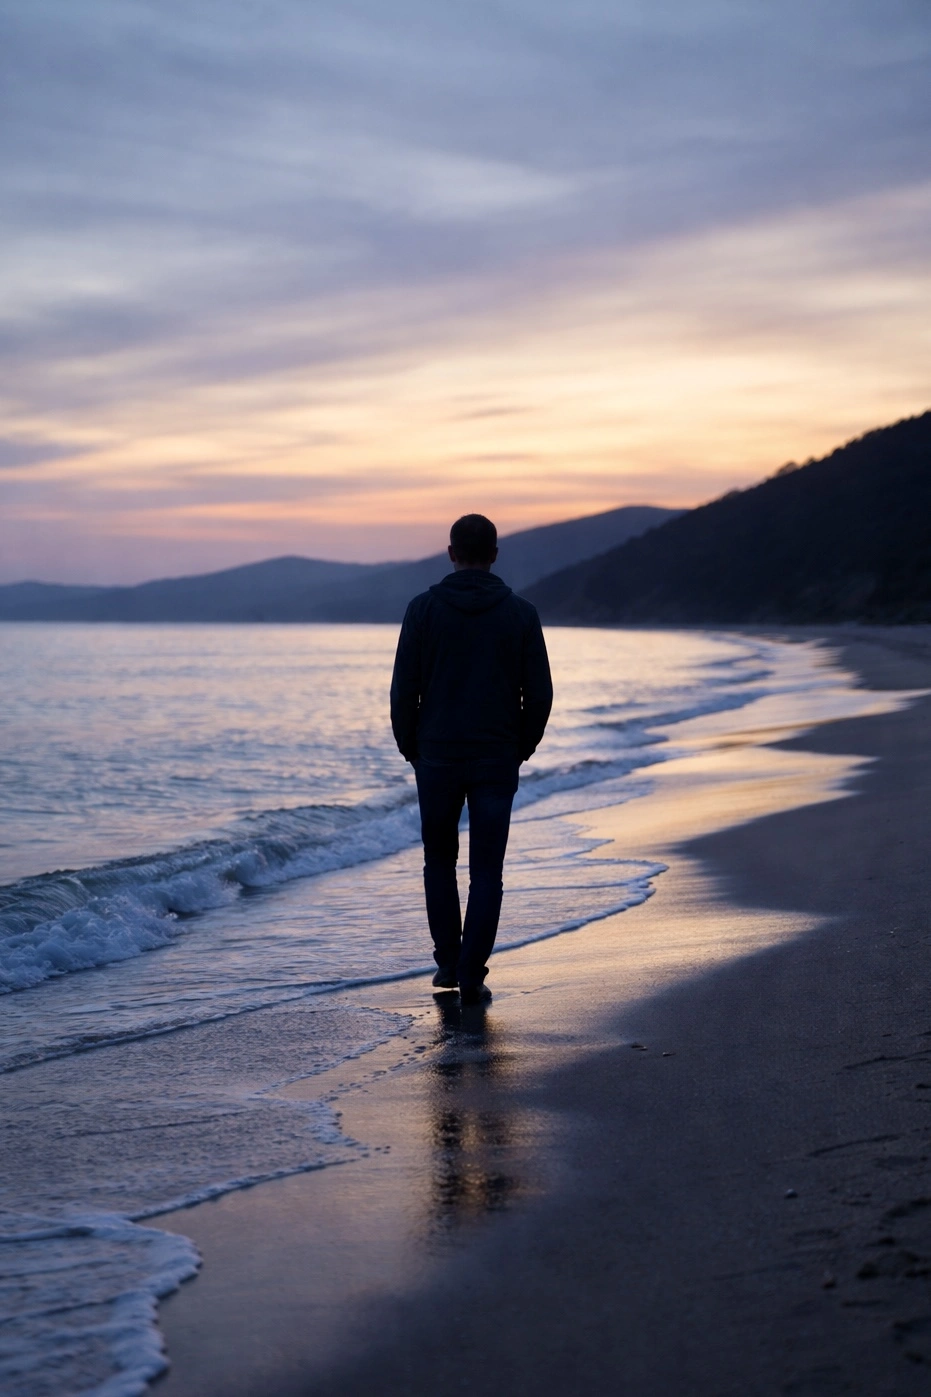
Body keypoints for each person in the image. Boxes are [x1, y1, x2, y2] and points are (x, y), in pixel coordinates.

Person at [390, 513, 553, 1004]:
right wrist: (519, 748)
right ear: (494, 555)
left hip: (437, 756)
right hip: (495, 757)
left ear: (451, 553)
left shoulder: (422, 610)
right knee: (486, 870)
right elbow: (539, 695)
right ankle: (471, 972)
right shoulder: (521, 613)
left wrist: (411, 747)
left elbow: (404, 690)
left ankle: (448, 961)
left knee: (439, 861)